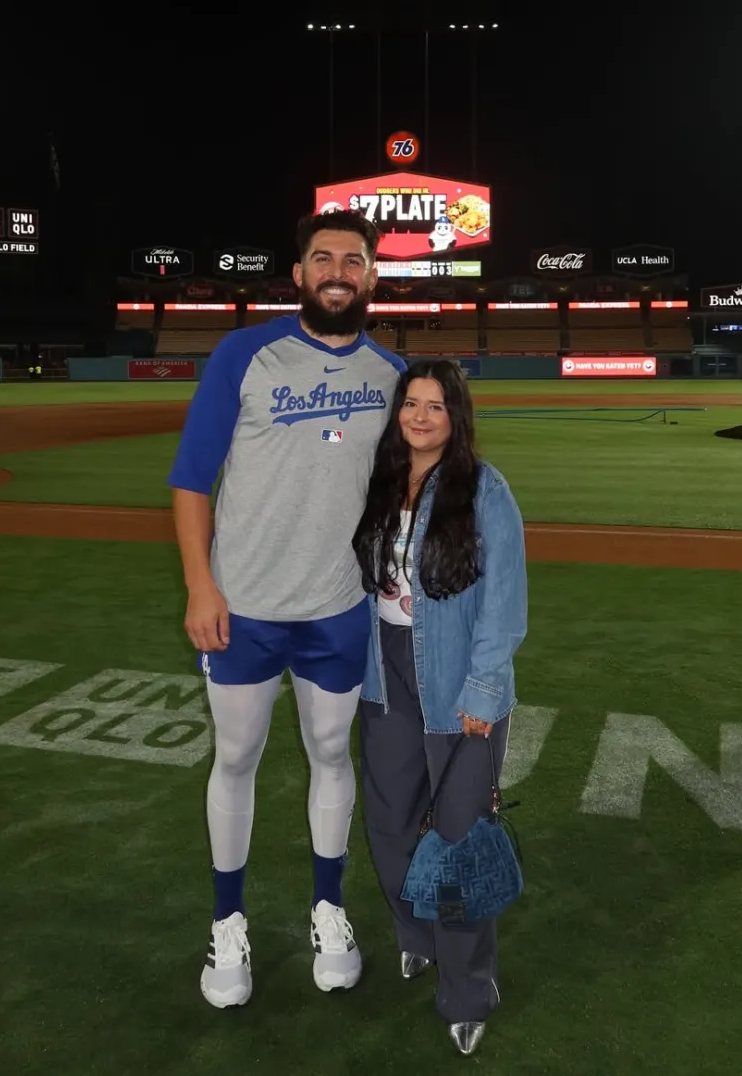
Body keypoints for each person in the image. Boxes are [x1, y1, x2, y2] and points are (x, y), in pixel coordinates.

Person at [168, 209, 406, 1009]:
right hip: (242, 606)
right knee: (235, 756)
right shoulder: (244, 353)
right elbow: (192, 477)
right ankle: (227, 920)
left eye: (353, 259)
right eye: (322, 257)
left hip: (337, 606)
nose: (338, 270)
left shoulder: (391, 373)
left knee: (332, 752)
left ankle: (328, 909)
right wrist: (200, 585)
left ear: (371, 276)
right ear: (299, 273)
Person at [352, 359, 528, 1058]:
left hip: (458, 681)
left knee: (457, 839)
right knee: (390, 822)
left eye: (435, 406)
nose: (420, 417)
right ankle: (416, 934)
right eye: (410, 403)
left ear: (456, 416)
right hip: (384, 673)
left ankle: (466, 989)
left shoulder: (485, 489)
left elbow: (504, 601)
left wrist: (483, 691)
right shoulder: (380, 479)